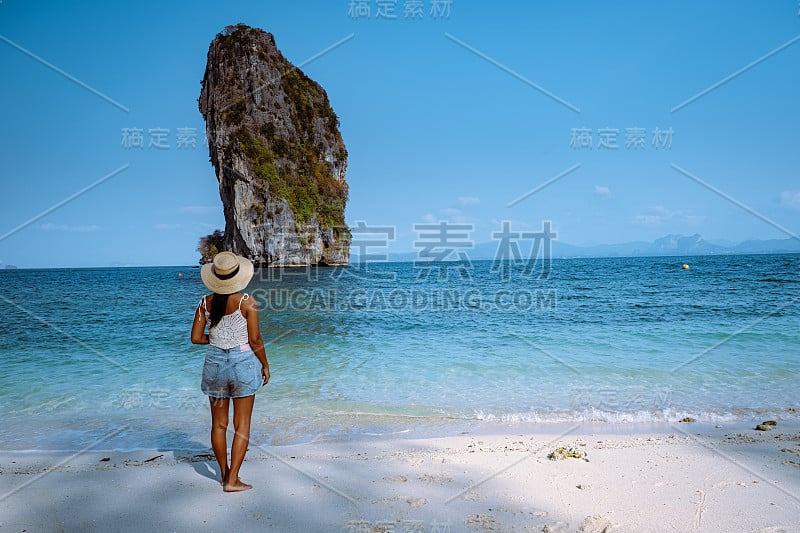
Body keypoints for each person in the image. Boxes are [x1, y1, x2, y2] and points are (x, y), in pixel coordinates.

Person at [191, 251, 270, 492]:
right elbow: (255, 339)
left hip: (214, 363)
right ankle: (232, 479)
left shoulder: (205, 302)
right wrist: (265, 365)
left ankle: (224, 474)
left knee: (218, 425)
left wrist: (217, 339)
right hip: (243, 363)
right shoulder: (247, 301)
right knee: (242, 424)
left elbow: (195, 338)